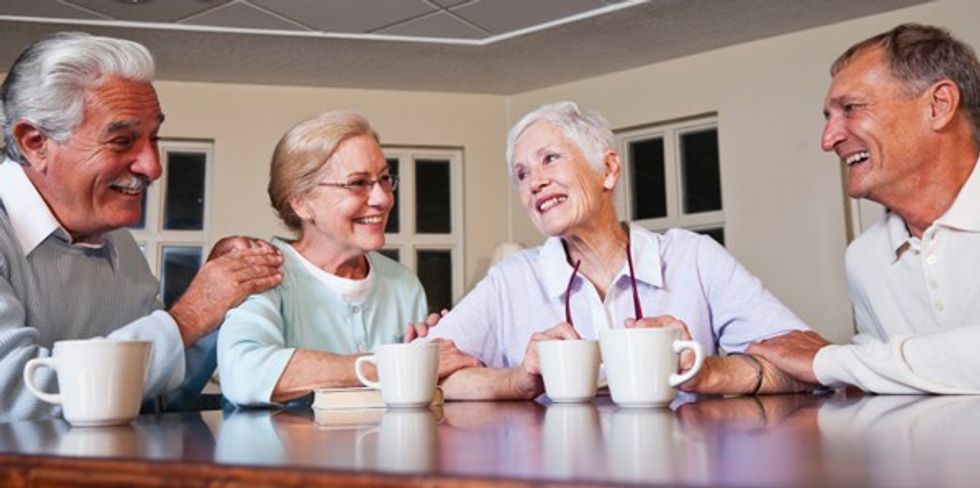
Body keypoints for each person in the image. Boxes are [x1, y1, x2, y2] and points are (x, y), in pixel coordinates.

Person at [422, 101, 815, 400]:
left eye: (550, 159)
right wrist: (517, 380)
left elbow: (804, 369)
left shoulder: (693, 258)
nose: (534, 183)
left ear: (608, 170)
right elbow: (424, 370)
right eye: (522, 174)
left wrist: (706, 371)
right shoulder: (510, 280)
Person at [0, 32, 284, 422]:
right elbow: (14, 396)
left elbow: (161, 394)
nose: (153, 167)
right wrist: (190, 315)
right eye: (122, 141)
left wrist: (220, 301)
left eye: (153, 138)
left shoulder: (118, 244)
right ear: (35, 142)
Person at [749, 24, 980, 393]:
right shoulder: (865, 258)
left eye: (851, 108)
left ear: (938, 106)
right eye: (828, 118)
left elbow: (864, 366)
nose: (829, 140)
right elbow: (884, 377)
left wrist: (830, 361)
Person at [217, 111, 476, 406]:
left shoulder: (403, 284)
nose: (382, 198)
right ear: (301, 202)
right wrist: (399, 365)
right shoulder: (262, 271)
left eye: (384, 179)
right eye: (357, 183)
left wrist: (433, 363)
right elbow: (244, 374)